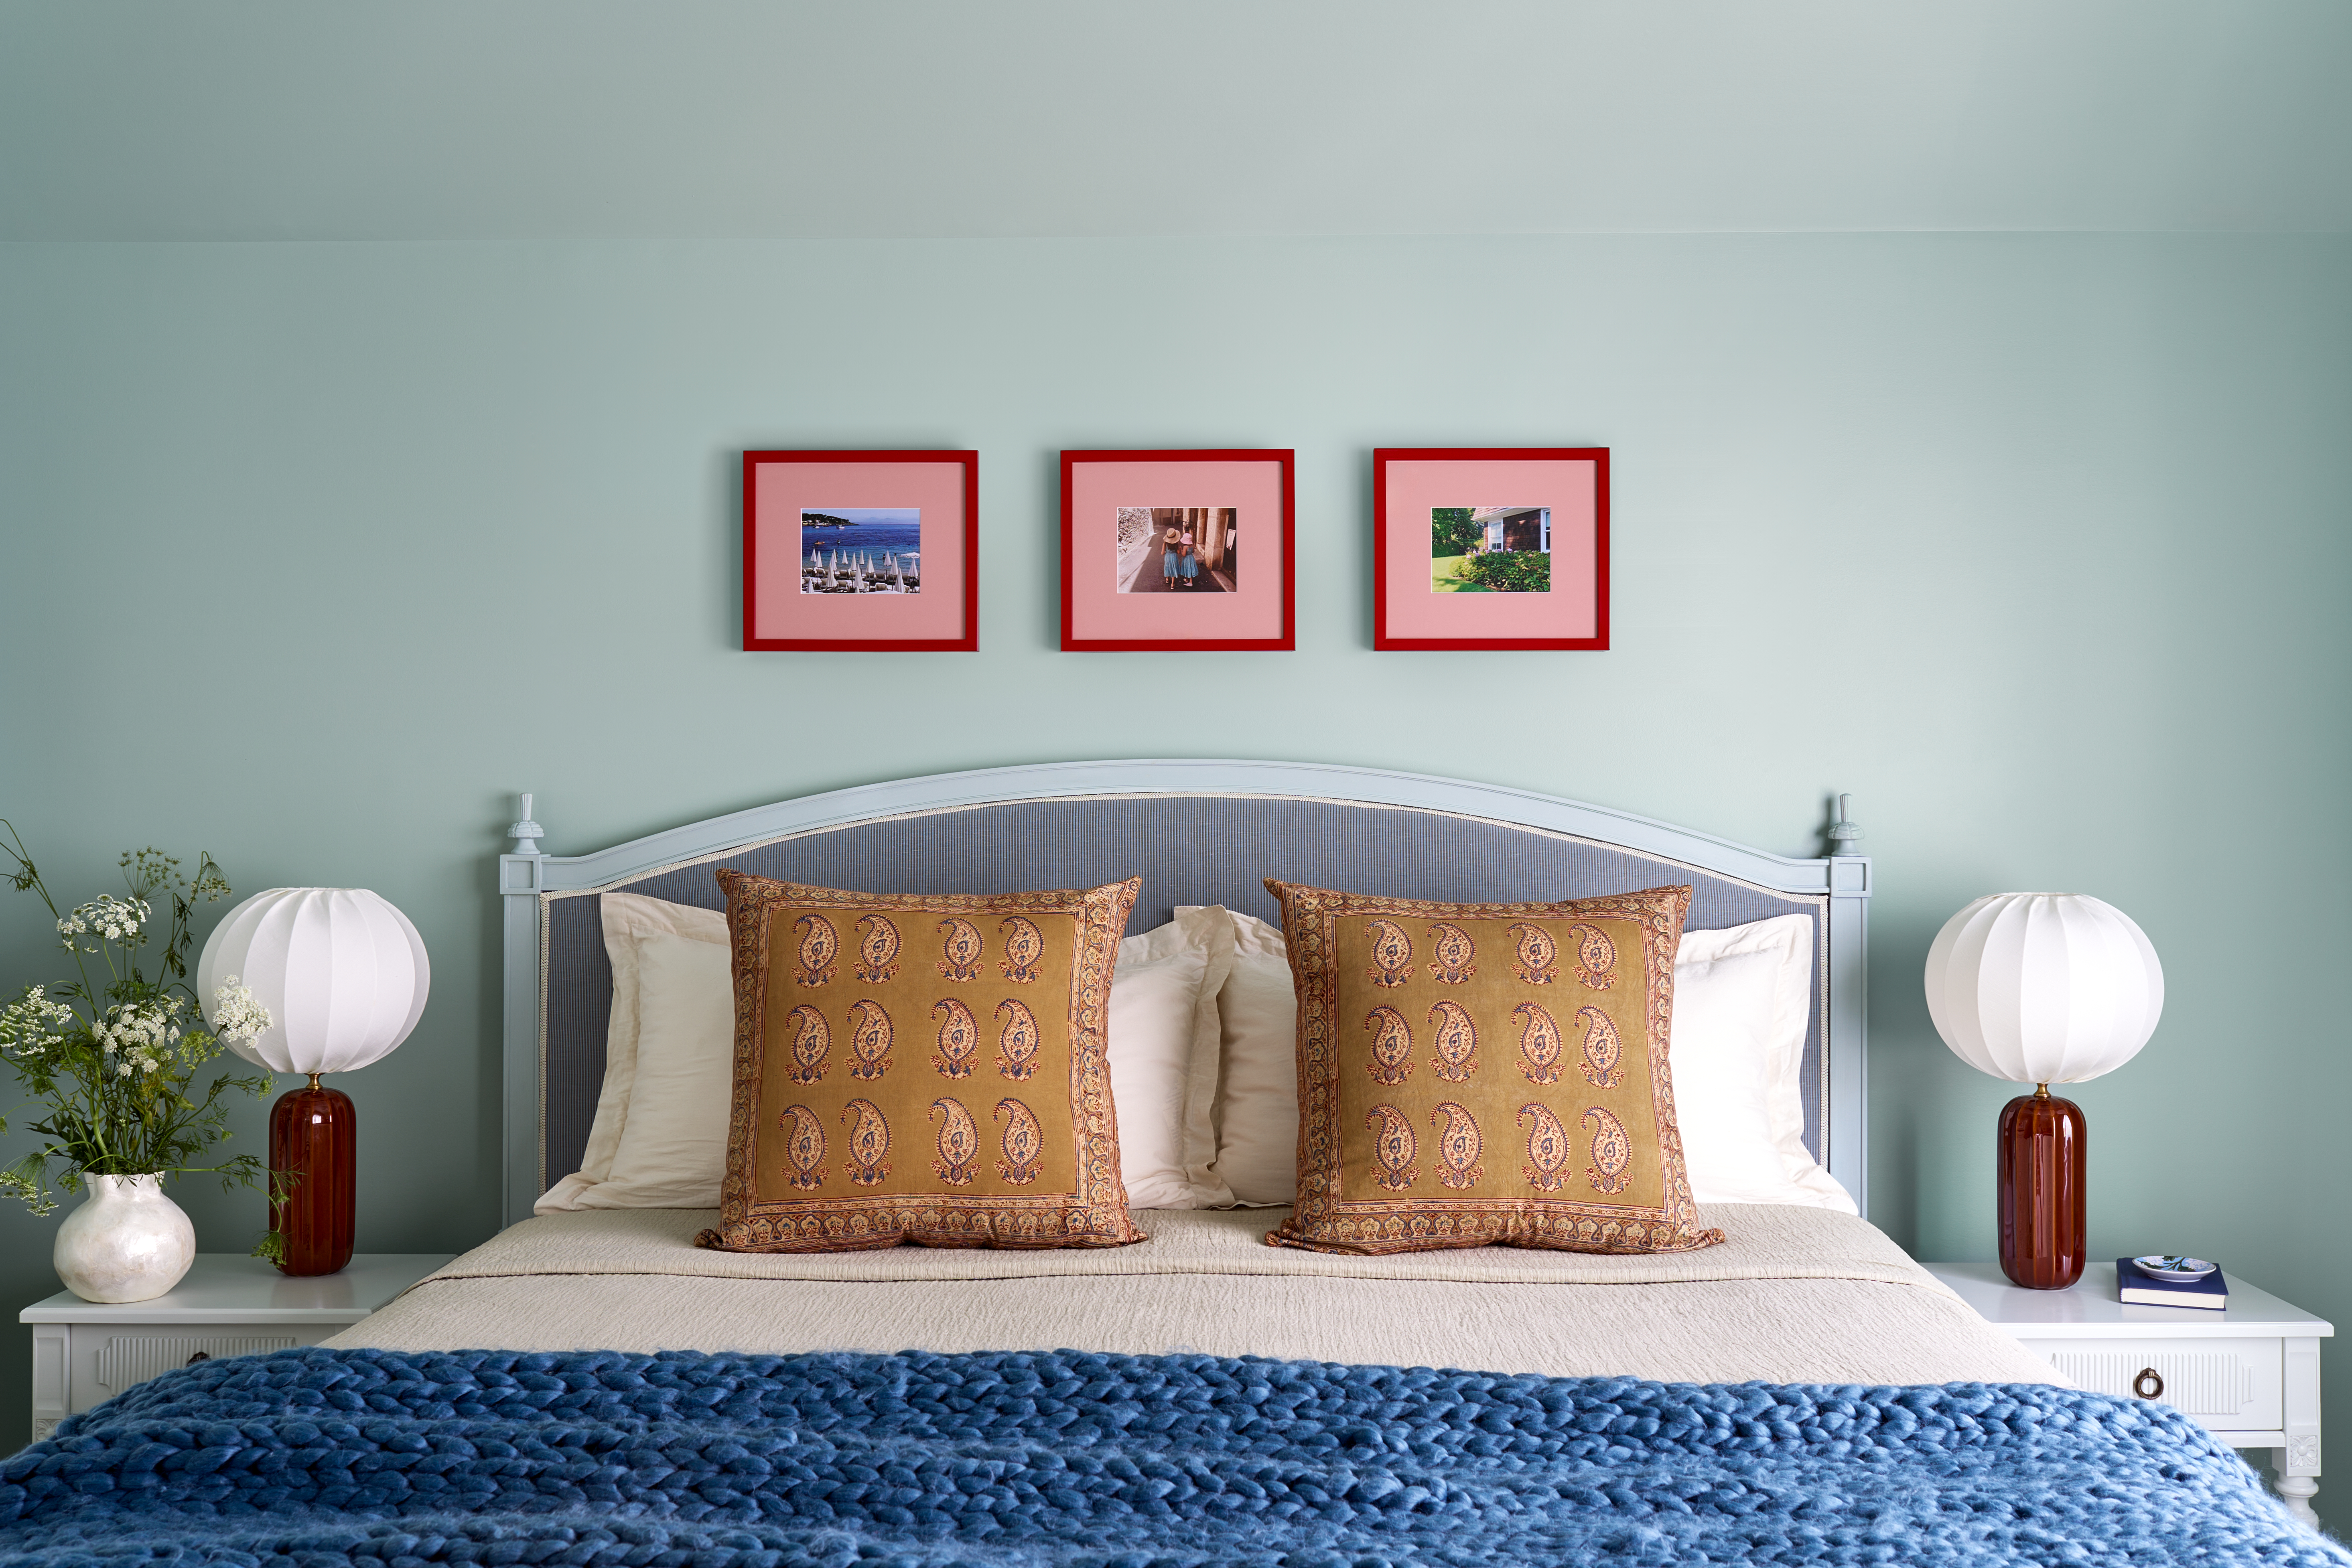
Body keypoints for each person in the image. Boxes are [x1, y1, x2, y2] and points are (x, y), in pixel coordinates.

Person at [1178, 523, 1199, 589]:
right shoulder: (1192, 545)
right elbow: (1193, 551)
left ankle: (1191, 582)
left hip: (1187, 559)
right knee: (1190, 568)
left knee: (1188, 569)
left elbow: (1184, 555)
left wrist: (1181, 550)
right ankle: (1186, 579)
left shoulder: (1185, 547)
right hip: (1191, 558)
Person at [1161, 525, 1183, 590]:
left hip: (1168, 557)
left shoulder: (1165, 544)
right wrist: (1179, 549)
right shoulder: (1176, 544)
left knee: (1167, 567)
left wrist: (1166, 552)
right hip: (1174, 558)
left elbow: (1162, 553)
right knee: (1174, 569)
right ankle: (1173, 585)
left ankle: (1167, 579)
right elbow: (1179, 553)